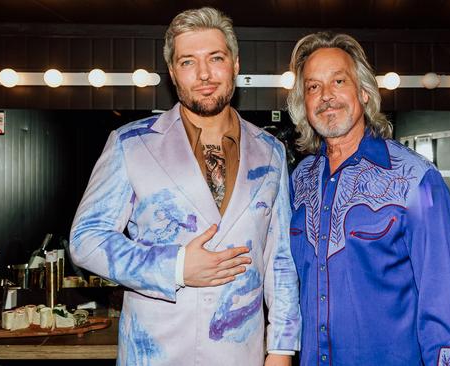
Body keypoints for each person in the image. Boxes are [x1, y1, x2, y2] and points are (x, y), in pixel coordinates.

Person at [70, 7, 300, 366]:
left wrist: (283, 349)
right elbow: (86, 239)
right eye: (188, 62)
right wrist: (175, 268)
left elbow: (281, 259)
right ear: (174, 74)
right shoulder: (130, 143)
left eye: (216, 58)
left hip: (241, 354)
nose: (205, 74)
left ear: (235, 64)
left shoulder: (271, 151)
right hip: (155, 353)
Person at [287, 32, 450, 365]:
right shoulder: (299, 181)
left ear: (364, 93)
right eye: (313, 87)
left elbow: (442, 302)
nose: (326, 96)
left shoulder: (418, 180)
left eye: (339, 81)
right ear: (304, 103)